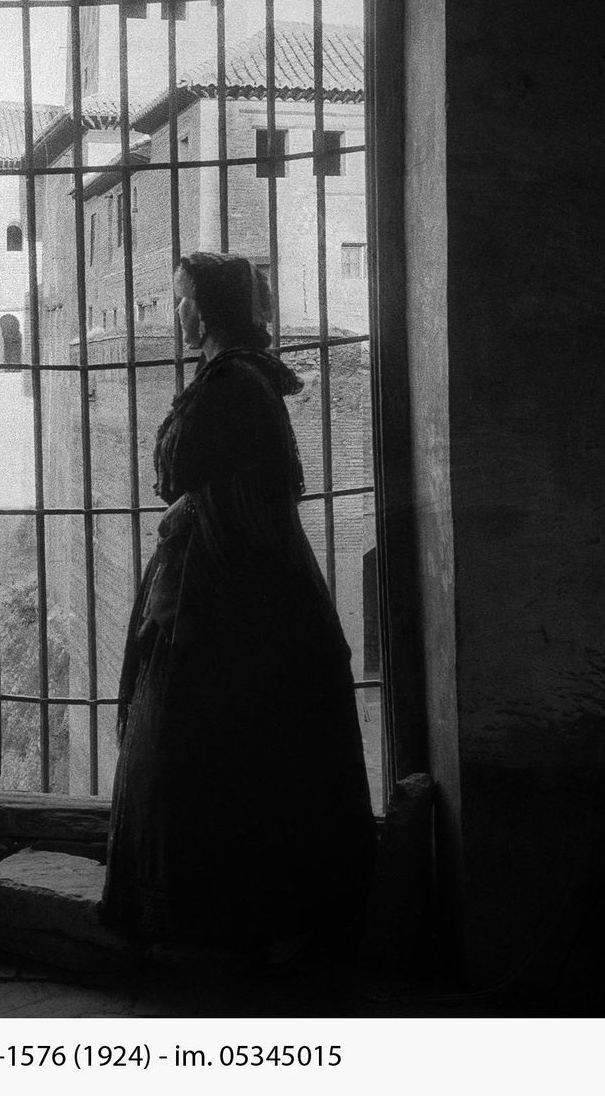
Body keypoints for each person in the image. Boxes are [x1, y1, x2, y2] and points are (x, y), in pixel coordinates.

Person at [100, 251, 375, 960]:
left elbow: (174, 472)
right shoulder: (243, 379)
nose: (176, 314)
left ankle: (219, 925)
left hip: (225, 586)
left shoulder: (230, 386)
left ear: (211, 307)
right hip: (232, 570)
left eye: (183, 299)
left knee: (197, 740)